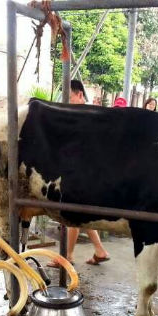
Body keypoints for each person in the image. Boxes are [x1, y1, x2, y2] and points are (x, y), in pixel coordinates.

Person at [48, 79, 110, 267]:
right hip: (84, 170)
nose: (65, 102)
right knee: (79, 214)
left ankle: (68, 256)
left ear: (80, 94)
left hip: (83, 171)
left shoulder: (85, 114)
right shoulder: (85, 113)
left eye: (68, 97)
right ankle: (99, 250)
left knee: (73, 214)